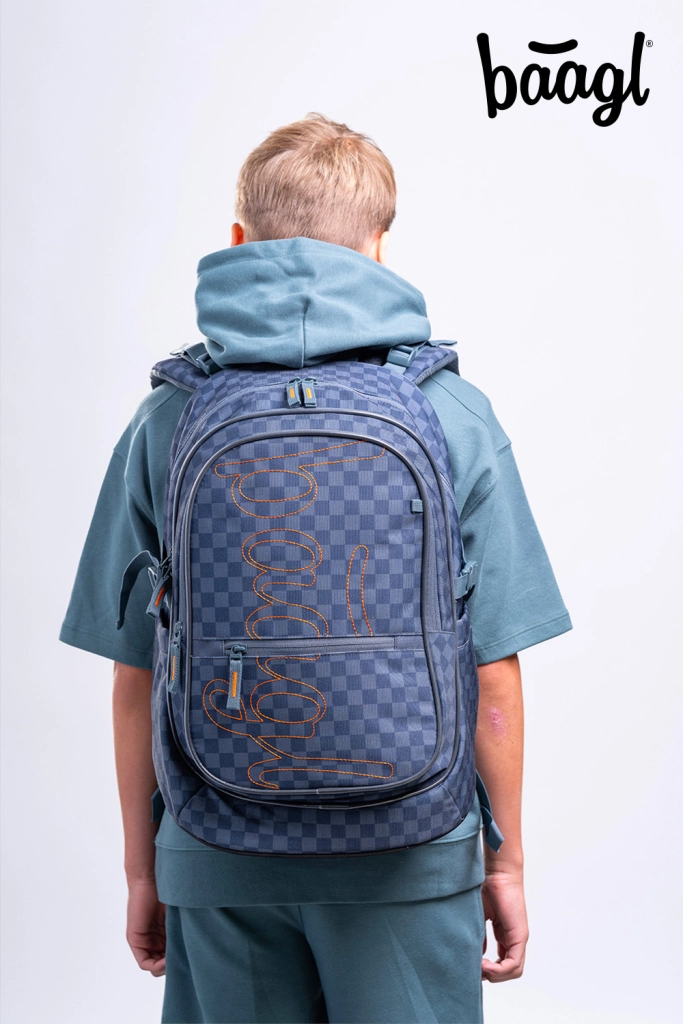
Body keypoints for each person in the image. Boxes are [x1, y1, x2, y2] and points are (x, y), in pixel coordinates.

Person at [60, 113, 571, 1024]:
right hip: (413, 849)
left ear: (237, 240)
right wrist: (504, 863)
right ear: (378, 247)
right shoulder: (451, 413)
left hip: (215, 845)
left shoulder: (166, 421)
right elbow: (493, 674)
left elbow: (134, 674)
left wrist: (146, 868)